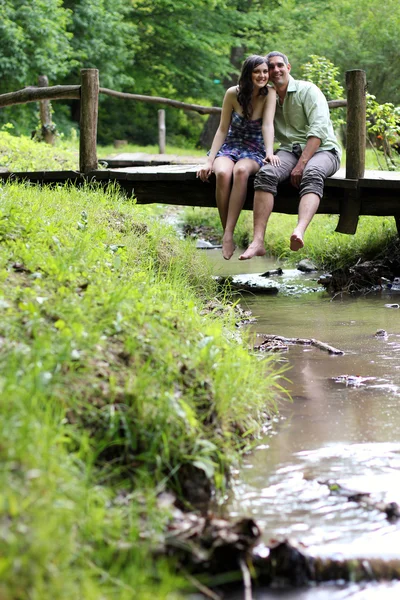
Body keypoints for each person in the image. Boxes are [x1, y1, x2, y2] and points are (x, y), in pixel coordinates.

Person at [239, 51, 342, 260]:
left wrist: (301, 164)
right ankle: (258, 241)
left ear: (288, 67)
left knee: (312, 173)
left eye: (279, 65)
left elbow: (319, 131)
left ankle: (299, 231)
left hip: (323, 150)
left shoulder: (308, 90)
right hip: (288, 151)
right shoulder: (268, 97)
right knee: (266, 174)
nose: (275, 70)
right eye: (271, 67)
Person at [196, 54, 280, 260]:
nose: (262, 76)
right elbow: (222, 128)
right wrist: (209, 160)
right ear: (248, 73)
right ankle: (228, 234)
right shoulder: (232, 93)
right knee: (223, 173)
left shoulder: (269, 93)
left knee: (240, 171)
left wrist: (269, 152)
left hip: (254, 148)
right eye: (257, 71)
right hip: (230, 146)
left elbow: (267, 125)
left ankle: (227, 234)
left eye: (264, 71)